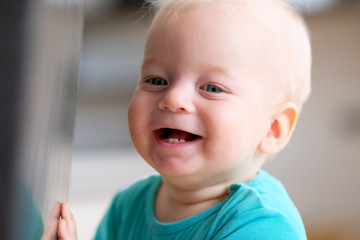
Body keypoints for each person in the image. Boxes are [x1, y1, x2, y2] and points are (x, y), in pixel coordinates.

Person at [43, 0, 312, 239]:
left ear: (272, 129)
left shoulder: (261, 225)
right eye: (157, 80)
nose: (173, 99)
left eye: (212, 88)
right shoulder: (127, 206)